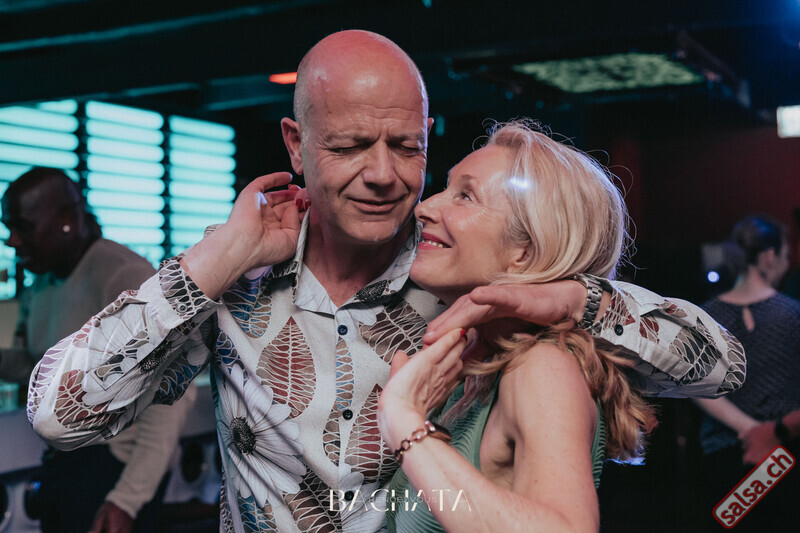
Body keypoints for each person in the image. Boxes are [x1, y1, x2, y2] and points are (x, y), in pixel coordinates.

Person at [27, 31, 744, 532]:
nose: (384, 175)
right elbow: (60, 417)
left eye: (407, 146)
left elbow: (722, 366)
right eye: (349, 146)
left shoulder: (464, 279)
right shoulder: (234, 280)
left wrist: (576, 296)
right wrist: (219, 257)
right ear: (297, 145)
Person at [377, 119, 660, 532]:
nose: (425, 207)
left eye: (465, 196)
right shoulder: (473, 368)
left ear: (524, 252)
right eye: (446, 188)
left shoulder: (543, 367)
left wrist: (404, 421)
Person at [0, 167, 195, 533]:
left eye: (22, 227)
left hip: (114, 471)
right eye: (7, 228)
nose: (12, 241)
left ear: (66, 220)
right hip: (65, 464)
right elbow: (40, 366)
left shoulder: (123, 275)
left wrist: (126, 500)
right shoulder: (42, 280)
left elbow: (168, 399)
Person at [694, 215, 800, 531]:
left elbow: (696, 384)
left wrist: (746, 427)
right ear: (768, 256)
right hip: (782, 453)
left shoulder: (706, 316)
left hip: (724, 455)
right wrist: (765, 432)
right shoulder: (793, 314)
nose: (786, 263)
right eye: (785, 254)